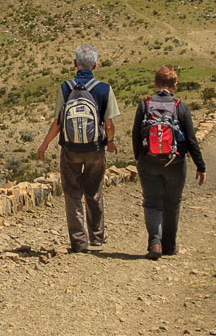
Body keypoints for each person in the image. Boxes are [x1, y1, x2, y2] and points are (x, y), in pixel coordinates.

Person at [33, 44, 119, 253]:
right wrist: (110, 141)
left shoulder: (65, 87)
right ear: (95, 65)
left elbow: (58, 123)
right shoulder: (104, 89)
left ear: (75, 64)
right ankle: (97, 237)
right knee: (94, 190)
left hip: (70, 149)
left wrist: (44, 144)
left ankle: (79, 242)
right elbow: (108, 123)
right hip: (95, 148)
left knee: (72, 194)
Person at [131, 65, 206, 259]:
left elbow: (136, 134)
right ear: (175, 85)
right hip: (175, 162)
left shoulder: (145, 103)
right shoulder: (180, 106)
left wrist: (140, 158)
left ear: (155, 83)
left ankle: (155, 243)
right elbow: (191, 139)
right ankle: (170, 246)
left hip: (149, 161)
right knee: (172, 204)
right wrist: (200, 166)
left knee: (152, 203)